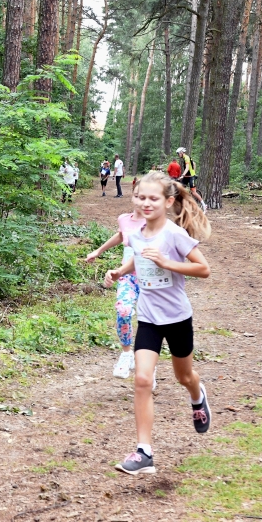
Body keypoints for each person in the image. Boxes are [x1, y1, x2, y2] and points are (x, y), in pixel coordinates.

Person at [103, 172, 212, 476]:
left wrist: (167, 263)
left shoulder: (174, 234)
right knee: (142, 380)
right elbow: (138, 259)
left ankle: (197, 396)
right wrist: (119, 271)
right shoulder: (136, 234)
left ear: (168, 201)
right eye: (140, 197)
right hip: (149, 317)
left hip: (177, 317)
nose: (145, 203)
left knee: (184, 376)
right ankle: (144, 452)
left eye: (153, 198)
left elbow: (203, 269)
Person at [84, 186, 155, 387]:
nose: (142, 201)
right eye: (138, 196)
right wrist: (98, 251)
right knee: (123, 311)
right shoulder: (124, 219)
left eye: (147, 197)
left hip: (151, 280)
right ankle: (126, 354)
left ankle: (149, 367)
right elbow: (121, 235)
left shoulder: (155, 222)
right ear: (132, 197)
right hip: (127, 277)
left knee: (150, 323)